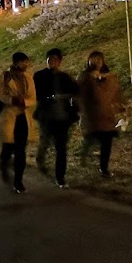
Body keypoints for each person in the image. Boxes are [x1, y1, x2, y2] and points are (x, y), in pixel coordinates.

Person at [33, 48, 79, 188]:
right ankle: (40, 160)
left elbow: (76, 90)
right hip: (46, 116)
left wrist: (64, 97)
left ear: (59, 61)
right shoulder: (39, 76)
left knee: (61, 148)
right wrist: (48, 98)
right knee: (45, 141)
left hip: (62, 118)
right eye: (49, 59)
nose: (51, 61)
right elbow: (35, 94)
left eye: (54, 59)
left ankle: (60, 177)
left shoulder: (65, 77)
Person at [0, 51, 38, 193]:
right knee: (8, 147)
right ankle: (4, 164)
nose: (25, 64)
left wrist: (24, 101)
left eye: (26, 62)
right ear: (15, 62)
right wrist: (11, 100)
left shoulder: (28, 77)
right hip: (9, 116)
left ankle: (18, 181)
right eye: (22, 62)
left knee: (20, 150)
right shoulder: (5, 76)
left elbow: (33, 97)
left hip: (22, 117)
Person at [78, 49, 124, 177]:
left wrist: (120, 106)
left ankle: (104, 168)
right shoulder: (85, 77)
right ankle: (85, 156)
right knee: (92, 139)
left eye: (100, 59)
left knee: (107, 143)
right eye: (95, 59)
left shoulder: (107, 76)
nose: (98, 61)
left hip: (106, 115)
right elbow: (81, 94)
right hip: (93, 115)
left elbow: (114, 92)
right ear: (89, 60)